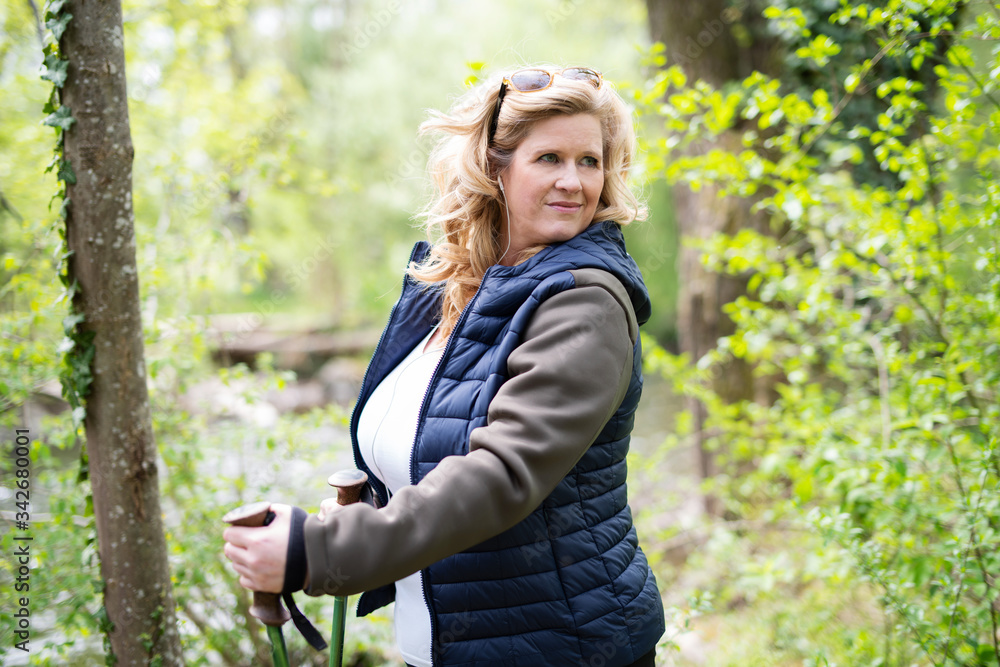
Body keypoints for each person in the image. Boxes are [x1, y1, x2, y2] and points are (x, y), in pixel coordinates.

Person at [223, 65, 665, 667]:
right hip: (443, 646)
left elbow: (499, 476)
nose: (573, 181)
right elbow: (430, 446)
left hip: (562, 646)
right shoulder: (453, 287)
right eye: (549, 158)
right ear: (495, 169)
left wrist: (319, 550)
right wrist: (366, 512)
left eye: (590, 161)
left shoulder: (586, 302)